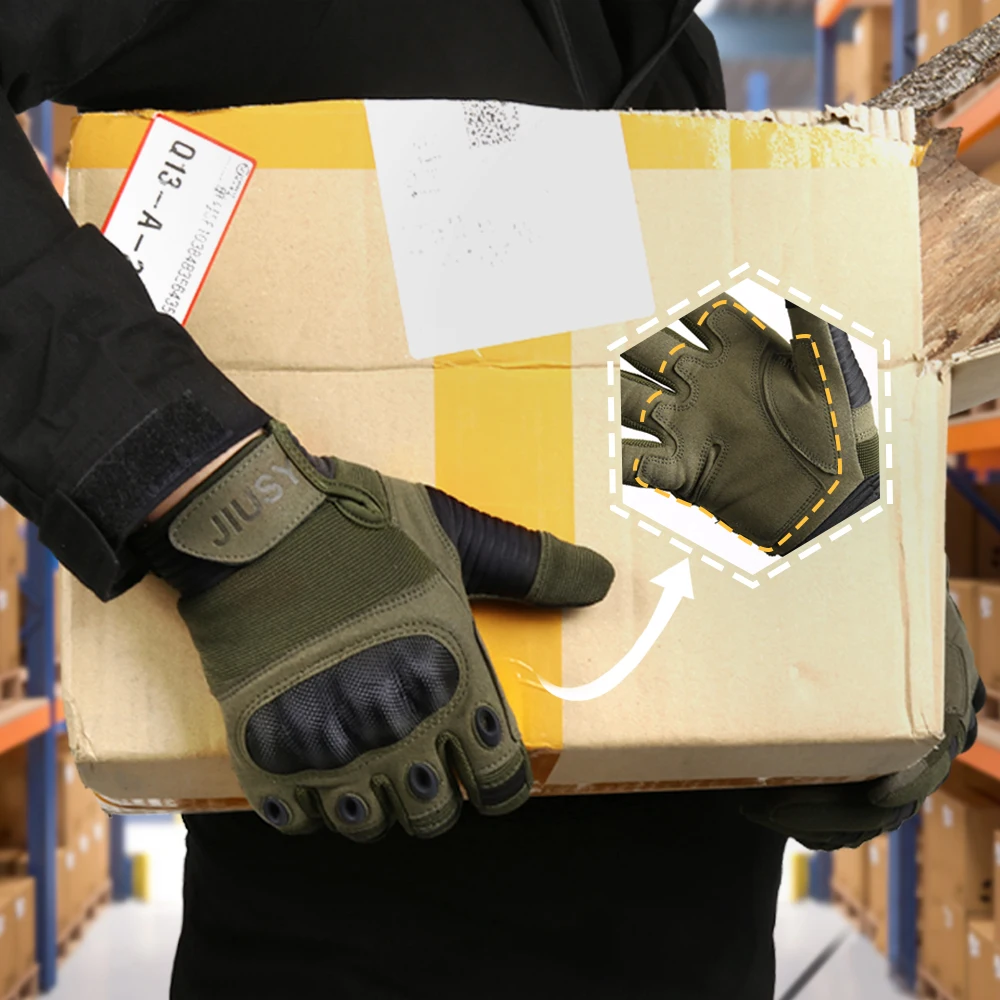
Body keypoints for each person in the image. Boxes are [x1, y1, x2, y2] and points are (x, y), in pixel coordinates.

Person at [0, 4, 982, 998]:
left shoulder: (665, 47)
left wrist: (862, 578)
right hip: (347, 937)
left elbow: (647, 385)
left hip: (701, 943)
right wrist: (217, 497)